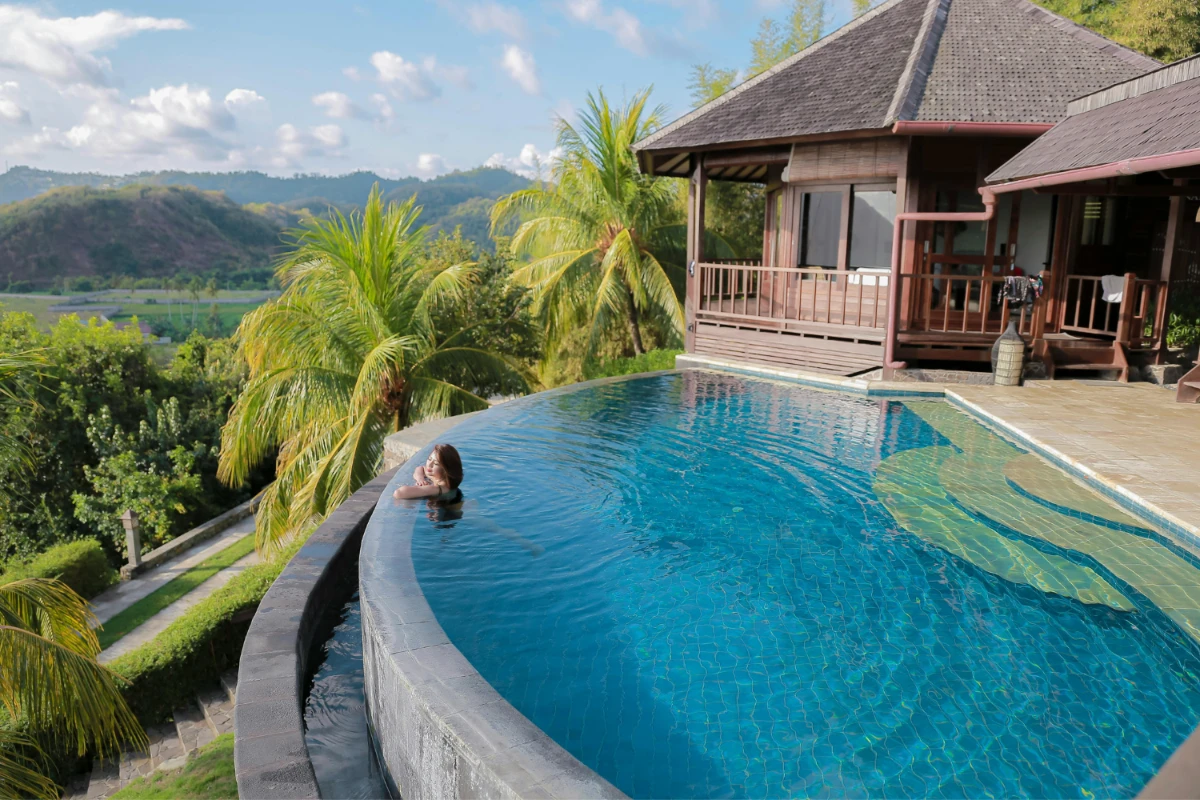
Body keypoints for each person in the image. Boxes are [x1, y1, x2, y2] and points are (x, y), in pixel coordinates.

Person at [393, 443, 463, 502]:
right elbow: (420, 468)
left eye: (436, 463)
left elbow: (399, 493)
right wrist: (420, 479)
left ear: (446, 470)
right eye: (429, 459)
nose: (429, 465)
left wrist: (420, 487)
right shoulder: (440, 478)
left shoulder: (437, 489)